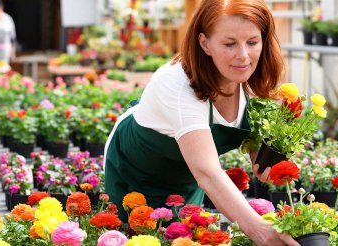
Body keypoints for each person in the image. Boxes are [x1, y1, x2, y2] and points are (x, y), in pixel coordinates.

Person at [104, 0, 299, 245]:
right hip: (134, 175)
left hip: (187, 178)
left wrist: (267, 161)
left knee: (183, 236)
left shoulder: (253, 79)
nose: (243, 55)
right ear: (204, 43)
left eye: (252, 42)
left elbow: (253, 142)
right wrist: (260, 231)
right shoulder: (177, 84)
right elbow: (207, 172)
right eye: (229, 44)